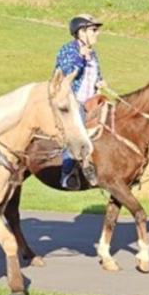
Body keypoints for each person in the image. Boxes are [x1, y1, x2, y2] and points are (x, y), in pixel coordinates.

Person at [54, 13, 105, 190]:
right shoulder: (68, 50)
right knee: (78, 129)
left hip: (91, 101)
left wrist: (100, 82)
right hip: (71, 103)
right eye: (93, 30)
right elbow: (67, 73)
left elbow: (96, 74)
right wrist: (80, 57)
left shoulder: (93, 54)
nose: (97, 33)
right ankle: (66, 174)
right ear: (81, 32)